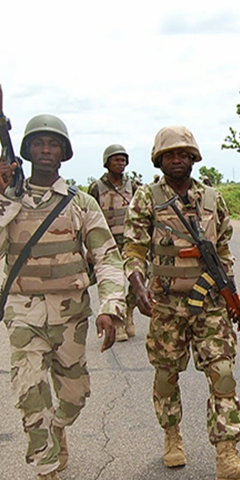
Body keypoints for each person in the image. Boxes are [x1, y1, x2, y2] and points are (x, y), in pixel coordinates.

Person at [0, 114, 126, 480]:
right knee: (30, 396)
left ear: (64, 152)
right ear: (26, 150)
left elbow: (108, 257)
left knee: (74, 397)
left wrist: (112, 305)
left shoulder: (81, 203)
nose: (45, 149)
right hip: (24, 316)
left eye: (53, 143)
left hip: (71, 317)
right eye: (38, 143)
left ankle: (59, 428)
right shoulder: (9, 200)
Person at [123, 125, 240, 480]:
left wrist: (229, 289)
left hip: (210, 304)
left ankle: (227, 456)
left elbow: (225, 249)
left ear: (194, 158)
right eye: (170, 154)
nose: (178, 159)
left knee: (223, 374)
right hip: (166, 306)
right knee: (166, 376)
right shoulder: (146, 198)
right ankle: (172, 435)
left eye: (184, 153)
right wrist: (139, 286)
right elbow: (134, 249)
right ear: (159, 159)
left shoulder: (213, 199)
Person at [88, 144, 141, 342]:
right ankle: (118, 324)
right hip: (106, 244)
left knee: (139, 281)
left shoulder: (133, 186)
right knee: (114, 283)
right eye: (116, 160)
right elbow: (88, 217)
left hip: (131, 241)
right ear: (107, 162)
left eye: (123, 160)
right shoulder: (96, 188)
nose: (121, 164)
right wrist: (88, 248)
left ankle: (128, 311)